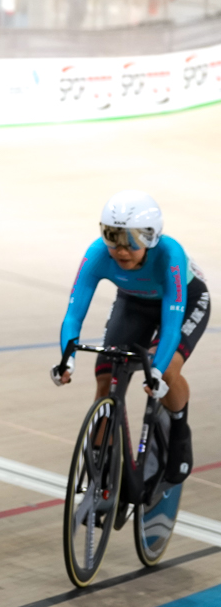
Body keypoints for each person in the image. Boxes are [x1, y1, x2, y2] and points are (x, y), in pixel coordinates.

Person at [55, 191, 204, 483]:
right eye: (112, 237)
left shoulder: (169, 253)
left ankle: (179, 430)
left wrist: (157, 370)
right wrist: (67, 359)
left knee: (168, 368)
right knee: (106, 377)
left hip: (183, 302)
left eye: (131, 240)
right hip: (134, 302)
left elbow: (172, 326)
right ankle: (101, 467)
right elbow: (73, 315)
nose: (121, 250)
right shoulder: (97, 253)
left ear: (151, 237)